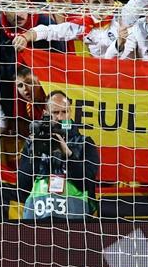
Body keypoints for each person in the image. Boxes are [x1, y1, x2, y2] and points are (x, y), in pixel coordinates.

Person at [18, 91, 100, 220]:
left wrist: (68, 154)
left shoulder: (85, 142)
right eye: (55, 113)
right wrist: (36, 154)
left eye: (64, 112)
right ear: (46, 114)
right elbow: (23, 188)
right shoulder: (32, 143)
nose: (61, 117)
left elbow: (88, 184)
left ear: (70, 112)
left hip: (74, 220)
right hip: (39, 219)